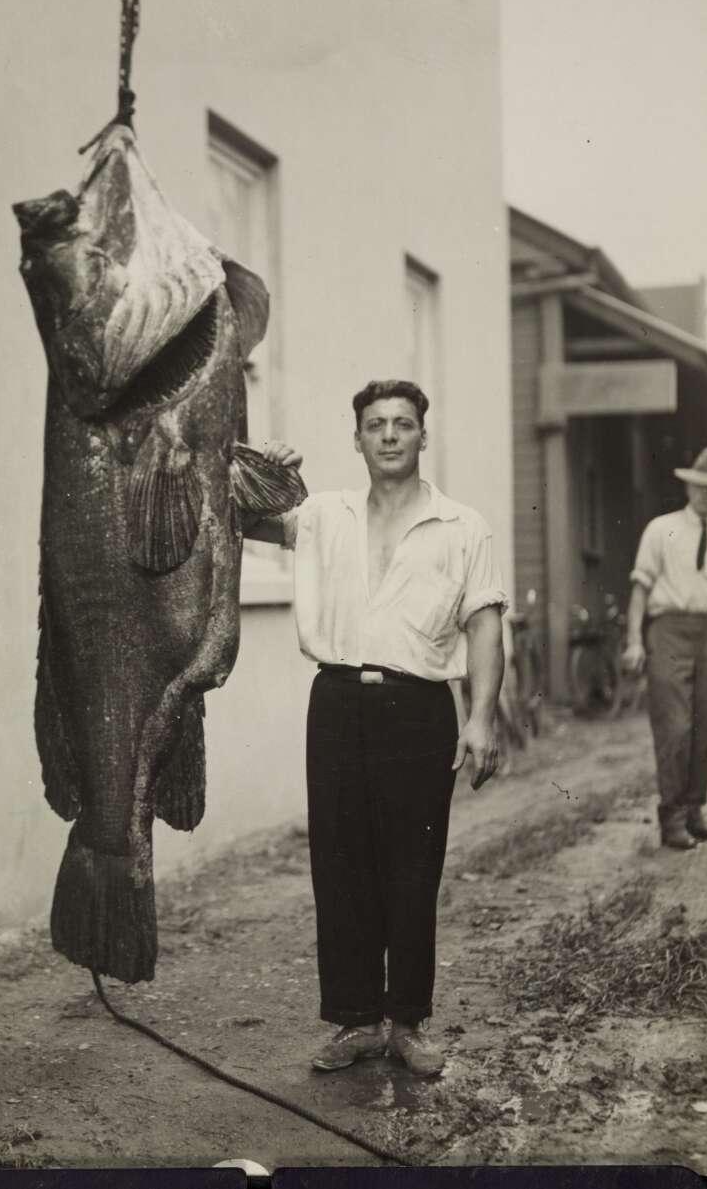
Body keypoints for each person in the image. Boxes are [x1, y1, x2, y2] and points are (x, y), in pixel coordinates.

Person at [245, 379, 507, 1075]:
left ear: (423, 434)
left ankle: (408, 1023)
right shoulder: (322, 515)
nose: (390, 434)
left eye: (403, 423)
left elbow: (485, 625)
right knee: (340, 864)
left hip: (420, 706)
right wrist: (263, 469)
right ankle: (356, 1020)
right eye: (376, 424)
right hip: (336, 702)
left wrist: (481, 717)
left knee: (413, 867)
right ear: (356, 438)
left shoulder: (463, 526)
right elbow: (238, 517)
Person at [622, 447, 707, 850]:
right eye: (701, 488)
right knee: (675, 725)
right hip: (669, 631)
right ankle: (672, 817)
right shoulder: (661, 530)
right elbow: (640, 588)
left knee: (704, 727)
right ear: (688, 488)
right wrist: (634, 640)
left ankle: (694, 811)